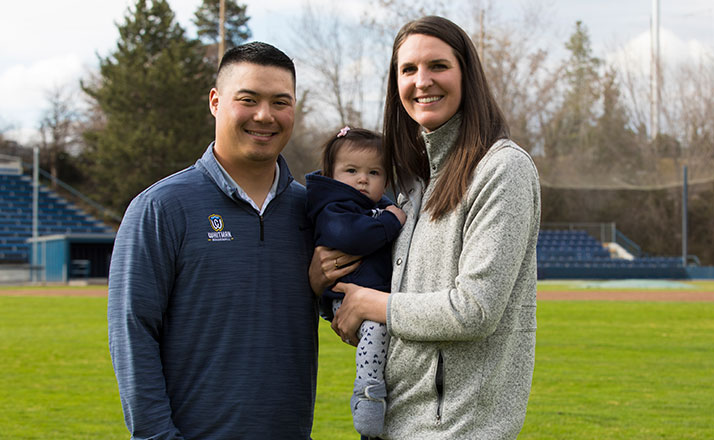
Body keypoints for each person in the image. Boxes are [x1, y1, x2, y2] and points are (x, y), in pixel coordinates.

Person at [315, 15, 541, 439]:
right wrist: (323, 280)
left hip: (456, 429)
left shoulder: (502, 168)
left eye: (438, 66)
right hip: (391, 423)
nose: (422, 81)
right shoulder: (412, 183)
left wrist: (372, 304)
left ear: (466, 74)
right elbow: (392, 305)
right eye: (408, 69)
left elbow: (474, 311)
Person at [108, 42, 320, 439]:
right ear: (215, 101)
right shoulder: (160, 207)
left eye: (280, 102)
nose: (264, 115)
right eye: (248, 99)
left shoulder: (311, 212)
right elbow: (132, 334)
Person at [305, 126, 405, 437]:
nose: (363, 179)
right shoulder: (333, 207)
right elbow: (353, 236)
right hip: (346, 299)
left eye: (374, 172)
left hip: (375, 298)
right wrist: (392, 220)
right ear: (331, 174)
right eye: (351, 170)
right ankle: (367, 391)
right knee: (376, 333)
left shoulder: (371, 205)